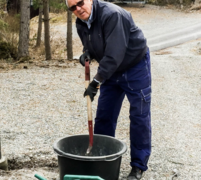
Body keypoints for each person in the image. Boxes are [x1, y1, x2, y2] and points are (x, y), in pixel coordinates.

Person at [66, 0, 151, 179]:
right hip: (111, 70)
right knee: (105, 115)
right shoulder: (81, 22)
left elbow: (114, 55)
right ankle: (102, 158)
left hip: (134, 66)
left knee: (139, 115)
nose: (78, 9)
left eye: (80, 3)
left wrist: (96, 82)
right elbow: (90, 43)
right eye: (72, 7)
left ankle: (138, 166)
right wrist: (87, 53)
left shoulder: (112, 15)